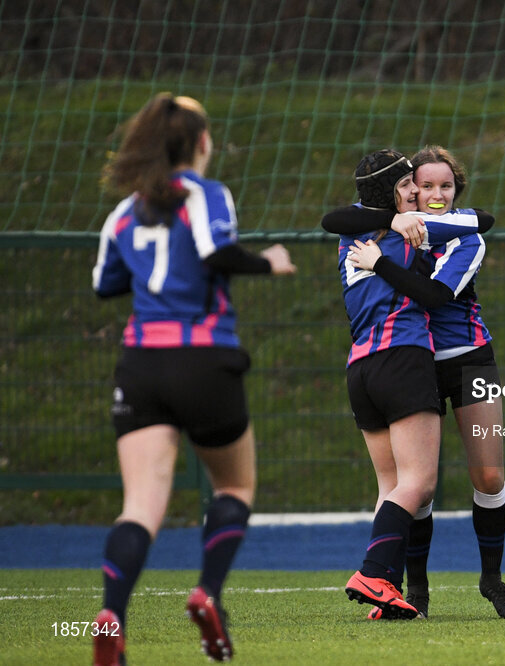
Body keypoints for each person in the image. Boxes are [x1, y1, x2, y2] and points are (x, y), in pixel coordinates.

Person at [90, 93, 297, 665]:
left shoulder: (127, 209)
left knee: (140, 505)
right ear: (202, 142)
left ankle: (112, 617)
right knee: (235, 488)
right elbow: (214, 251)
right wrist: (268, 262)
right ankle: (207, 592)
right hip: (203, 358)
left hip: (141, 365)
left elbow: (105, 284)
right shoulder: (204, 194)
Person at [331, 146, 505, 619]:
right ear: (408, 188)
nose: (434, 195)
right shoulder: (391, 222)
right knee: (417, 487)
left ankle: (492, 580)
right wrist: (392, 224)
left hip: (468, 359)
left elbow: (436, 295)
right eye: (424, 185)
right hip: (412, 361)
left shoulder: (459, 234)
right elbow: (335, 218)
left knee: (489, 474)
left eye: (446, 186)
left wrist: (383, 258)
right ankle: (413, 590)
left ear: (456, 190)